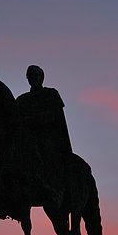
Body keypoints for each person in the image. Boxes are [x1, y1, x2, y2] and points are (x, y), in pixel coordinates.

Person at [16, 65, 73, 205]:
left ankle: (51, 188)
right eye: (30, 76)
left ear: (41, 77)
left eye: (35, 75)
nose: (33, 78)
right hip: (26, 139)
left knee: (40, 151)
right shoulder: (22, 100)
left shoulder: (51, 94)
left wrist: (32, 120)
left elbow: (54, 115)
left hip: (48, 138)